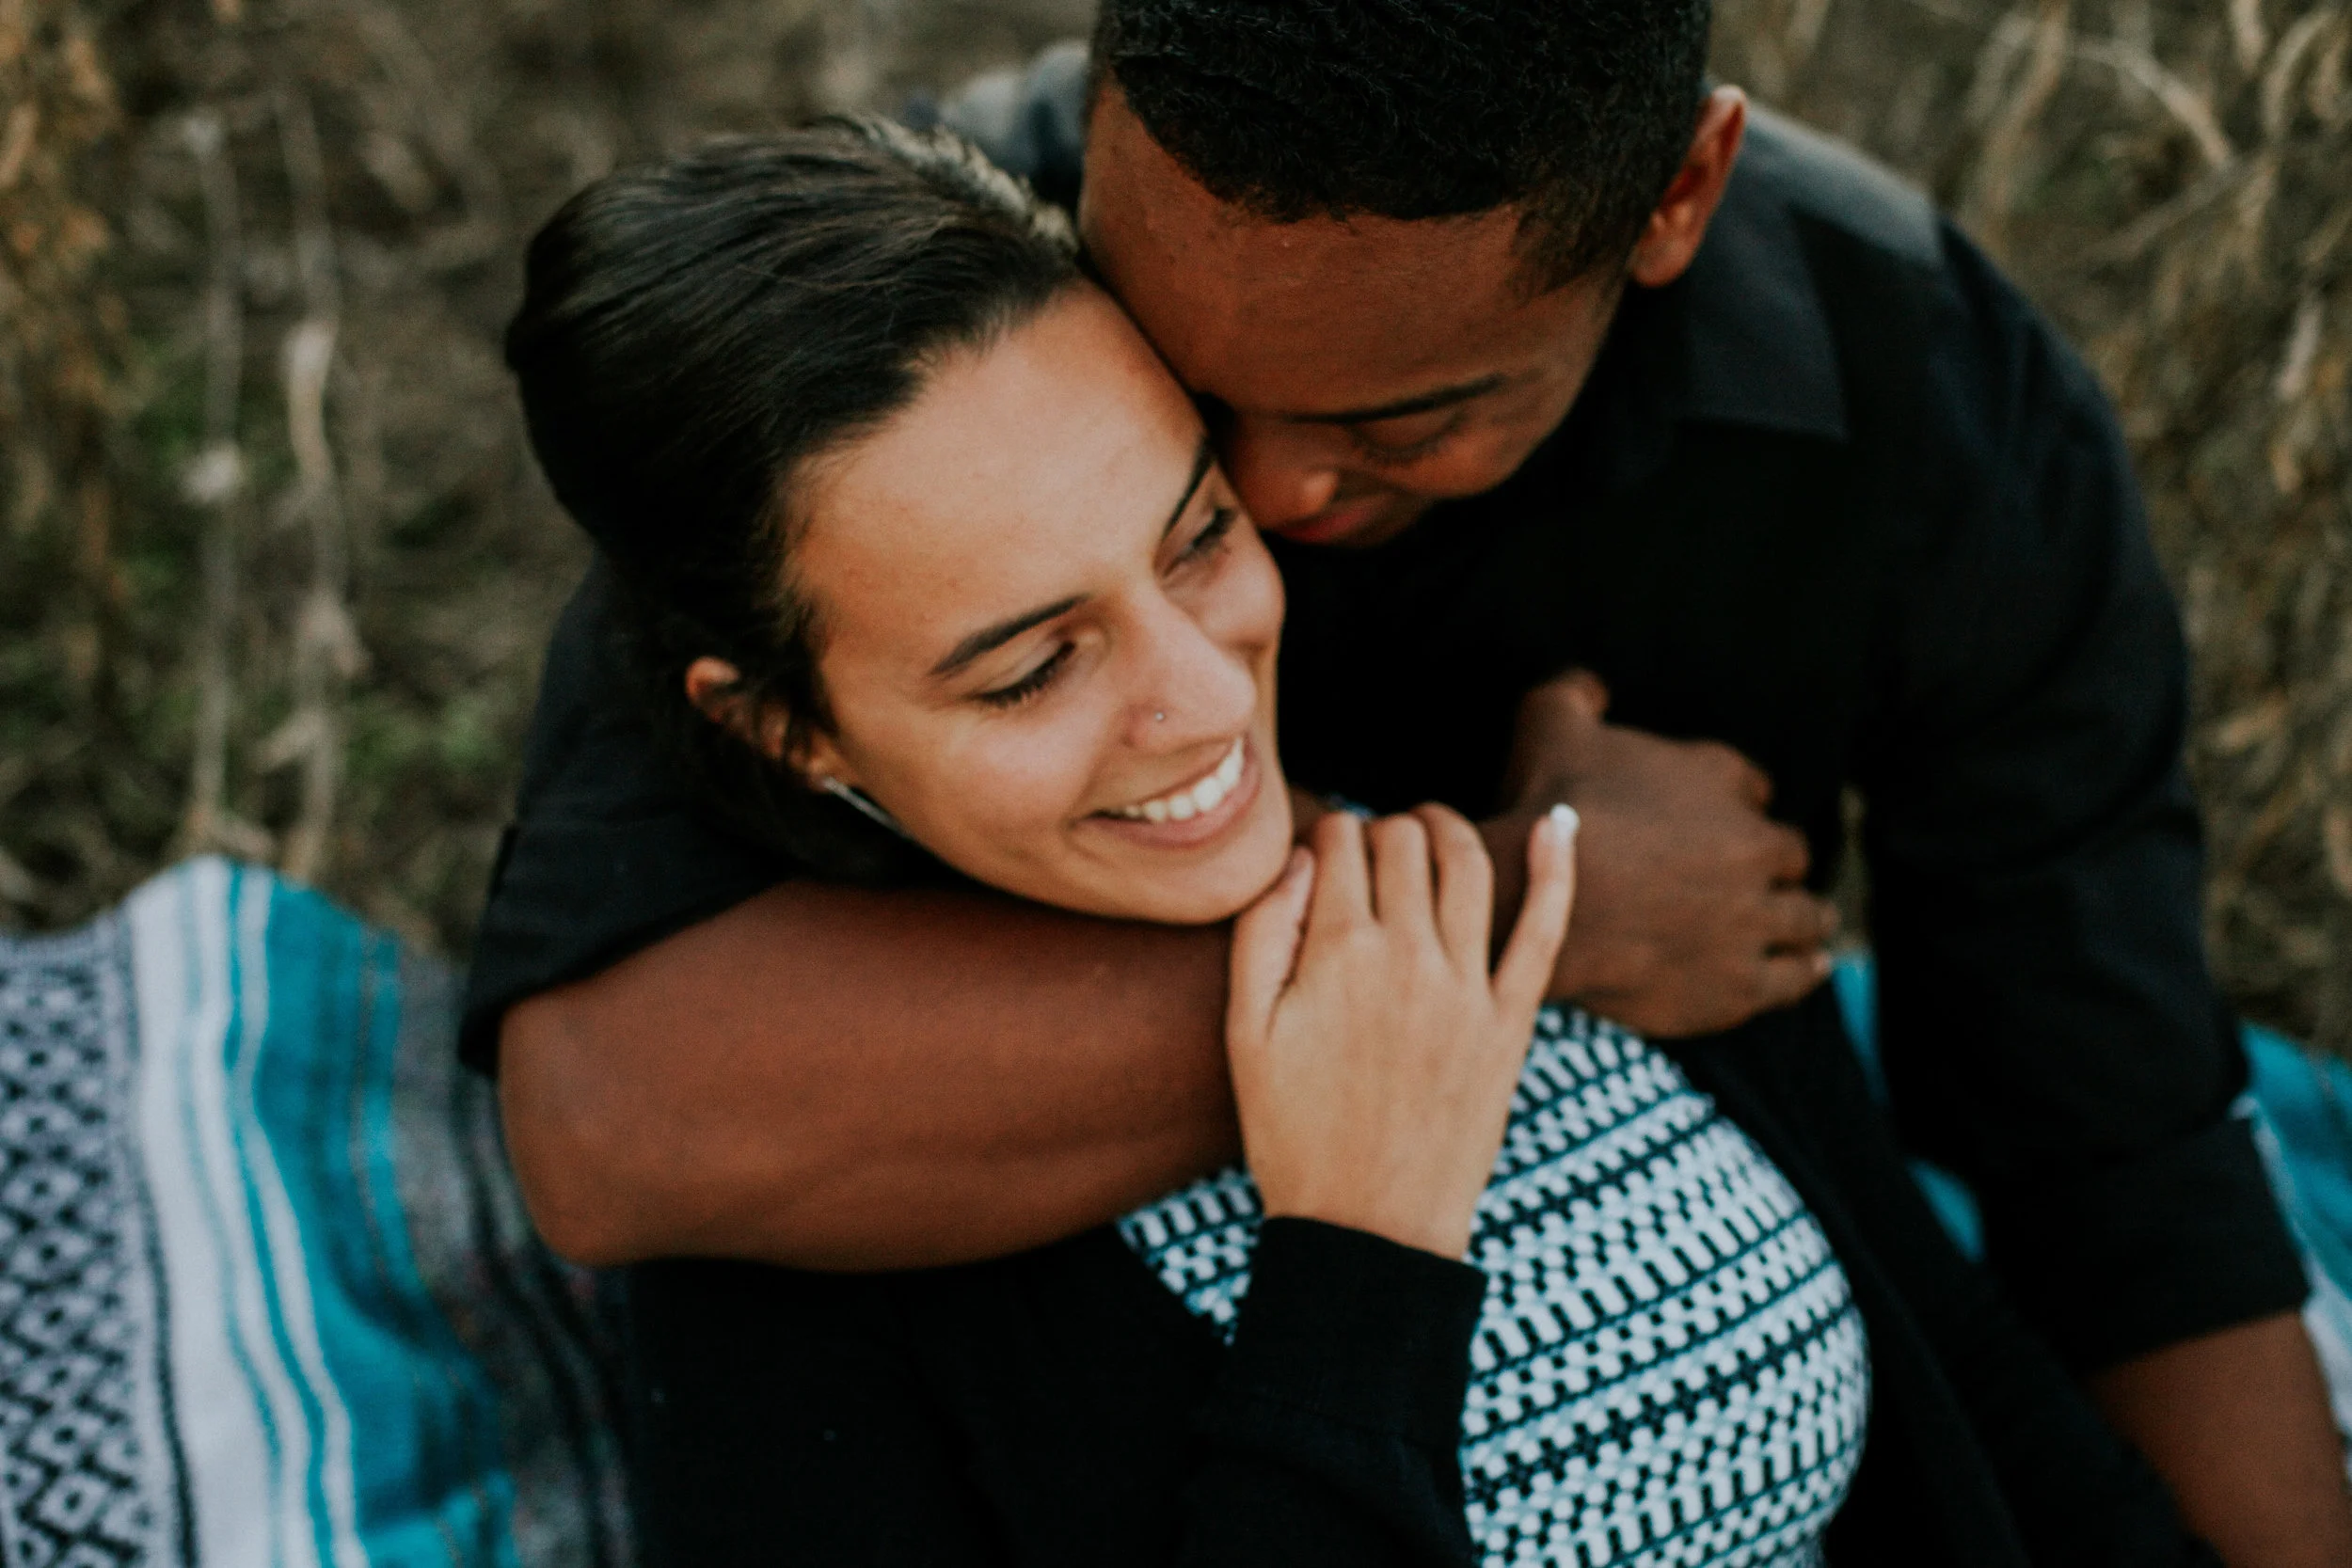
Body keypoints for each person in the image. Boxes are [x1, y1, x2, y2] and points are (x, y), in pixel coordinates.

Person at [475, 3, 2352, 1560]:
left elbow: (2101, 1152)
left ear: (1675, 195)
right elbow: (616, 1113)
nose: (1276, 528)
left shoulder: (1913, 407)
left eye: (1403, 418)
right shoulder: (904, 347)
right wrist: (1509, 922)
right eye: (1200, 398)